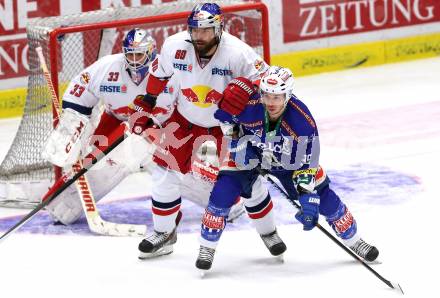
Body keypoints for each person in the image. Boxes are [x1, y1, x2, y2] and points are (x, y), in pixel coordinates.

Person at [41, 28, 242, 227]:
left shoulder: (174, 69)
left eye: (139, 54)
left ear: (152, 52)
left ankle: (223, 203)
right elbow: (79, 90)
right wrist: (74, 125)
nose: (135, 60)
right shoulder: (107, 67)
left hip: (164, 126)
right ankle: (63, 205)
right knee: (101, 165)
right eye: (130, 54)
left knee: (174, 167)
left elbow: (194, 104)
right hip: (115, 122)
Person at [130, 3, 280, 259]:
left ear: (219, 27)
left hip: (228, 127)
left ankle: (269, 232)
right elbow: (159, 72)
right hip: (185, 119)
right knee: (164, 172)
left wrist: (249, 93)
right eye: (194, 30)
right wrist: (148, 102)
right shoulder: (175, 45)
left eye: (205, 31)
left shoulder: (238, 53)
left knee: (248, 182)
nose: (198, 36)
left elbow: (267, 81)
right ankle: (164, 234)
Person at [195, 66, 379, 271]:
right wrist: (237, 144)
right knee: (223, 191)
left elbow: (307, 164)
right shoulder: (249, 104)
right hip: (250, 153)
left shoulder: (302, 122)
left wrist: (307, 195)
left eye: (277, 97)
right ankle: (207, 247)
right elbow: (227, 119)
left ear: (288, 95)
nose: (271, 103)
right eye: (267, 96)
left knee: (323, 198)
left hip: (289, 163)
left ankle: (354, 241)